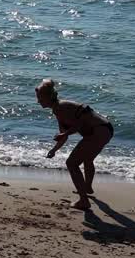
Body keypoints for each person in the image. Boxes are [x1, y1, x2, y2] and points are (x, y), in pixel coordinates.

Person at [36, 79, 113, 211]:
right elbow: (63, 134)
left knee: (71, 163)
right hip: (105, 130)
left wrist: (65, 134)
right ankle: (87, 188)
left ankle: (84, 201)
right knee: (87, 159)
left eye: (40, 98)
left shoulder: (62, 107)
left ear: (49, 97)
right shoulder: (58, 110)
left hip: (98, 130)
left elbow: (80, 125)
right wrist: (54, 150)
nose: (38, 101)